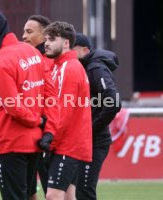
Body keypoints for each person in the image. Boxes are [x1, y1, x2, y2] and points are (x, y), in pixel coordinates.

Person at [0, 9, 59, 200]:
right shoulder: (31, 51)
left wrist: (36, 120)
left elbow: (11, 104)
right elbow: (49, 93)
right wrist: (46, 127)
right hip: (35, 142)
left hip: (10, 143)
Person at [44, 22, 92, 200]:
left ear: (66, 43)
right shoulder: (60, 66)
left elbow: (63, 111)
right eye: (45, 39)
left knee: (53, 196)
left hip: (66, 144)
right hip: (69, 143)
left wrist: (51, 142)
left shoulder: (69, 68)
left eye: (51, 39)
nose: (46, 43)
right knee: (68, 197)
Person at [73, 33, 121, 200]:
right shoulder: (83, 68)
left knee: (84, 192)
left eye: (71, 48)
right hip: (84, 141)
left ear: (84, 50)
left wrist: (90, 129)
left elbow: (113, 103)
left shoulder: (95, 68)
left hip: (94, 141)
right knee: (79, 192)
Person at [23, 14, 54, 199]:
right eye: (23, 32)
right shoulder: (27, 61)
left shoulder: (50, 62)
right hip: (31, 136)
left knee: (54, 194)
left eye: (29, 32)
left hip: (48, 137)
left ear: (44, 36)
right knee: (30, 191)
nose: (24, 36)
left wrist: (48, 129)